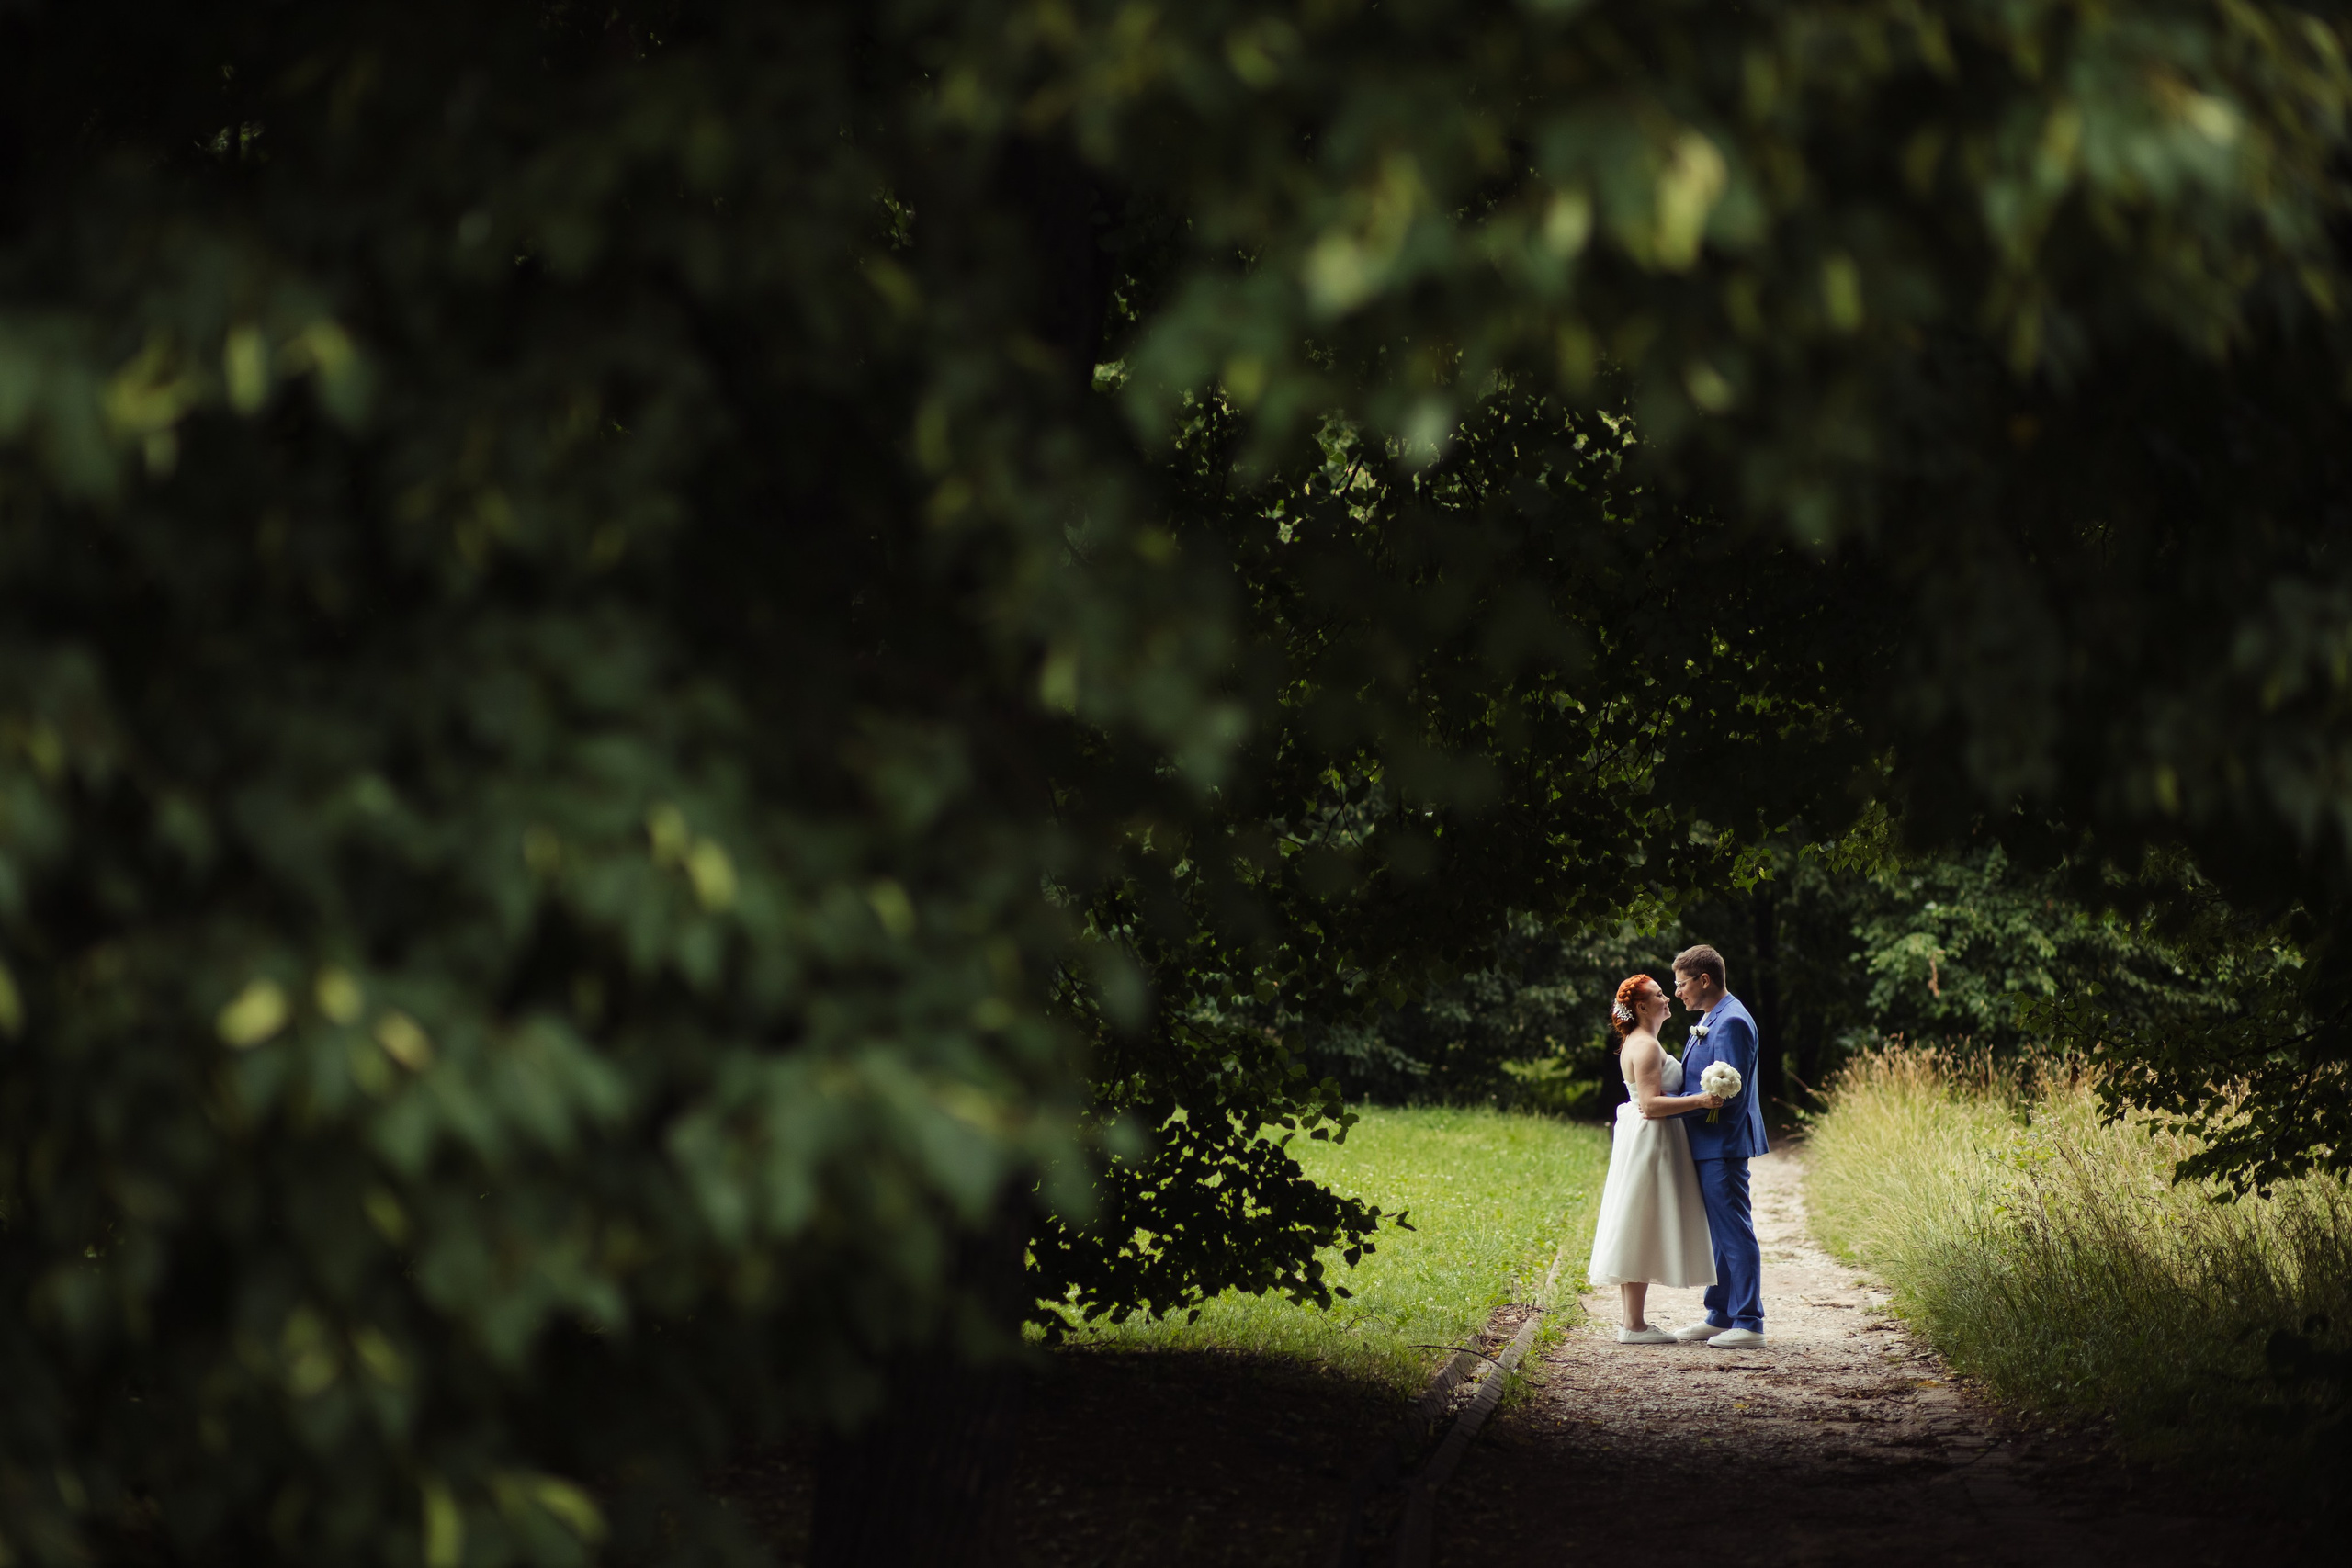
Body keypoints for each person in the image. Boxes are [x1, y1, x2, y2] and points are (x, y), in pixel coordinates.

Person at [1642, 942, 1770, 1348]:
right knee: (1719, 1233)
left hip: (1723, 1142)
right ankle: (1719, 1315)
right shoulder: (1712, 1018)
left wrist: (1670, 1108)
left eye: (1681, 984)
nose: (1677, 992)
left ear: (1704, 980)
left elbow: (1726, 1093)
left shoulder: (1731, 1021)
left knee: (1734, 1230)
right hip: (1705, 1141)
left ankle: (1749, 1322)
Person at [1587, 972, 1722, 1343]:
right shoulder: (1644, 1045)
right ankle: (1633, 1324)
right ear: (1642, 1006)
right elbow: (1648, 1104)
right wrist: (1702, 1101)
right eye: (1660, 994)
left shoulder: (1639, 1040)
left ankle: (1633, 1322)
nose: (1668, 998)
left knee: (1639, 1221)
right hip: (1652, 1139)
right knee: (1642, 1221)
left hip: (1647, 1138)